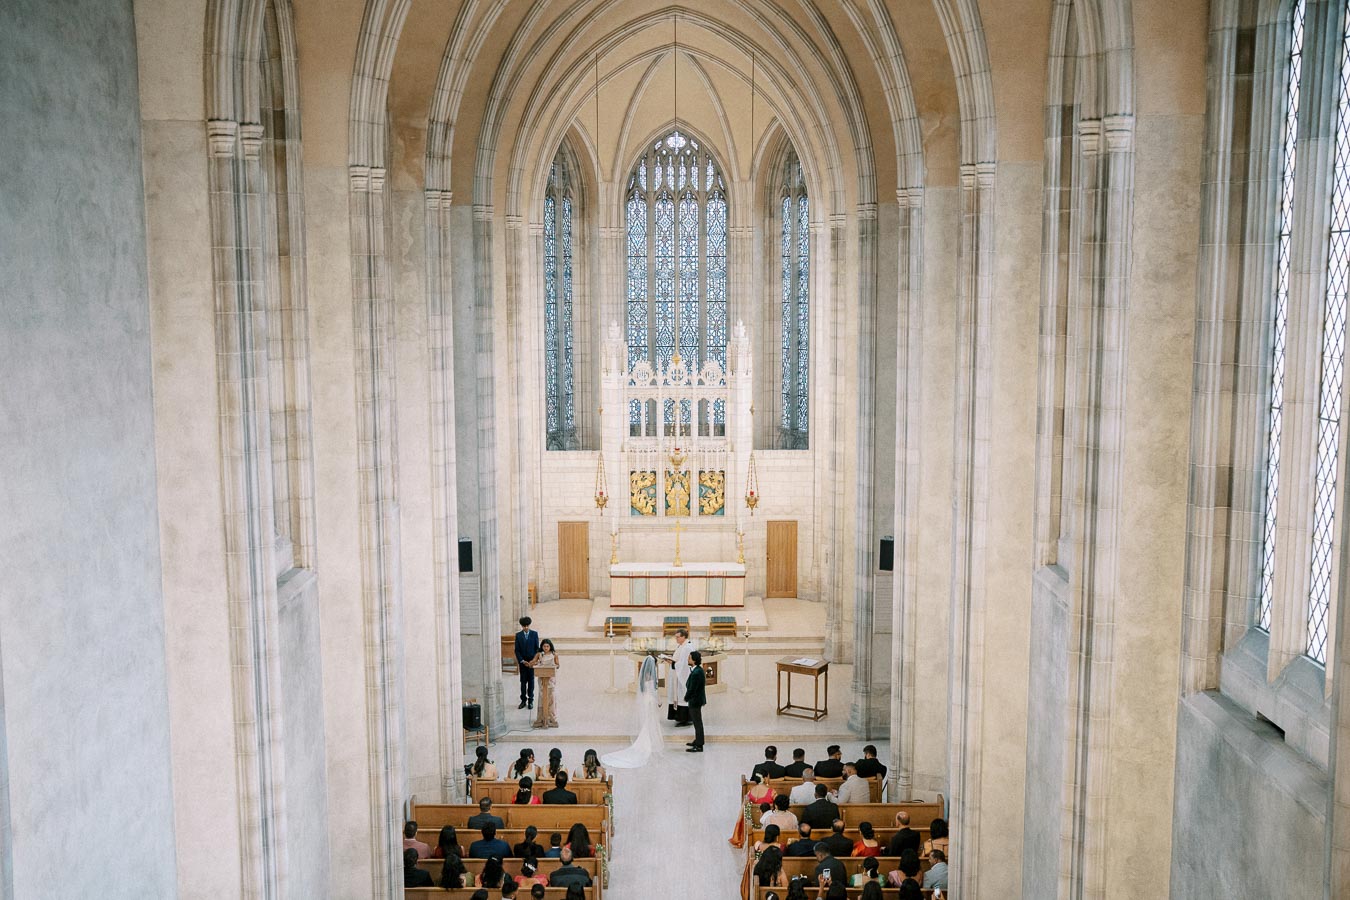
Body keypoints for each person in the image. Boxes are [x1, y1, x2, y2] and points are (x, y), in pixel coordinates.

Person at [602, 655, 666, 769]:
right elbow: (654, 691)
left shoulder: (644, 677)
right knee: (651, 722)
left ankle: (648, 741)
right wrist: (659, 701)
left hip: (646, 700)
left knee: (648, 721)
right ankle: (649, 743)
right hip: (651, 701)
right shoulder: (651, 677)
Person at [730, 774, 778, 848]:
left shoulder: (750, 792)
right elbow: (778, 805)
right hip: (768, 823)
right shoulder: (772, 792)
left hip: (752, 822)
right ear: (765, 778)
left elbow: (745, 806)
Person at [663, 628, 695, 726]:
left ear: (684, 637)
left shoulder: (687, 647)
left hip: (683, 676)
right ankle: (680, 717)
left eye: (678, 637)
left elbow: (685, 664)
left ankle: (684, 719)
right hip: (678, 674)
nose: (676, 639)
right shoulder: (682, 645)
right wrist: (671, 659)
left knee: (682, 696)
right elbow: (679, 659)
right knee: (678, 695)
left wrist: (672, 663)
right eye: (675, 637)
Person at [530, 639, 560, 728]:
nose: (546, 648)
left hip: (550, 679)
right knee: (542, 698)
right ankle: (541, 718)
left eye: (547, 646)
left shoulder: (554, 654)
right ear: (542, 647)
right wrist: (534, 663)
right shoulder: (539, 654)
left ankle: (551, 718)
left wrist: (555, 666)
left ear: (550, 646)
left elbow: (558, 665)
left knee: (551, 697)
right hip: (542, 679)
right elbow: (533, 662)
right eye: (544, 646)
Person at [514, 616, 541, 710]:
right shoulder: (518, 635)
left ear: (529, 625)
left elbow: (537, 649)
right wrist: (522, 660)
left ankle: (531, 700)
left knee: (531, 682)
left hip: (532, 663)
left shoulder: (534, 634)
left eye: (527, 626)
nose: (525, 627)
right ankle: (523, 700)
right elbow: (517, 650)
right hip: (523, 663)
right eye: (523, 626)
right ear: (521, 626)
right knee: (523, 682)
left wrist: (533, 661)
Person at [684, 650, 707, 751]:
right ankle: (698, 741)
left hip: (695, 700)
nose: (688, 659)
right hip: (696, 700)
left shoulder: (697, 672)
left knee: (697, 723)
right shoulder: (697, 670)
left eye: (689, 658)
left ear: (693, 660)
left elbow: (692, 689)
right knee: (697, 722)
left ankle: (699, 745)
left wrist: (686, 697)